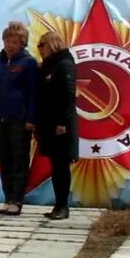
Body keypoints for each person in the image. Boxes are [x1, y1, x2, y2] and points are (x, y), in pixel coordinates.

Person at [0, 21, 39, 215]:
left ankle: (17, 201)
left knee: (19, 160)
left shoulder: (28, 63)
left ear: (22, 43)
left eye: (14, 42)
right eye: (7, 41)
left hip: (19, 120)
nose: (10, 45)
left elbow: (33, 94)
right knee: (4, 160)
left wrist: (31, 119)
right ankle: (7, 198)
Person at [34, 31, 79, 220]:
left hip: (61, 124)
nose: (40, 49)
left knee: (61, 166)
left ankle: (63, 206)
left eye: (42, 45)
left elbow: (68, 96)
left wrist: (62, 122)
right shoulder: (49, 66)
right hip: (48, 123)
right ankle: (58, 205)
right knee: (55, 165)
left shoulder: (64, 64)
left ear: (52, 44)